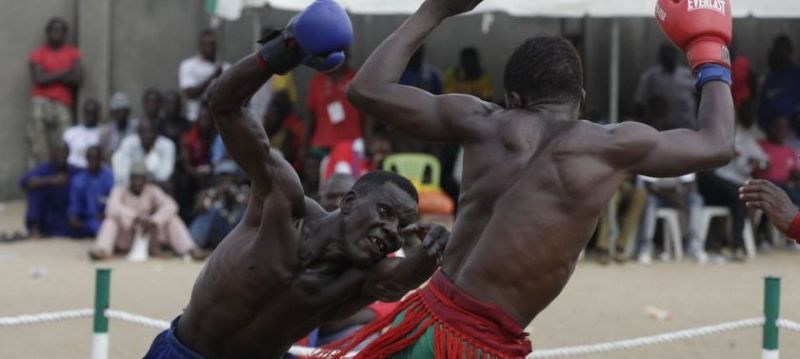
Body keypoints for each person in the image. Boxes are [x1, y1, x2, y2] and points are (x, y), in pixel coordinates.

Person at [318, 0, 734, 357]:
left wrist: (437, 8)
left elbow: (367, 90)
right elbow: (717, 142)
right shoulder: (610, 147)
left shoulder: (481, 122)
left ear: (514, 99)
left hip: (421, 318)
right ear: (581, 102)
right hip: (475, 345)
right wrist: (708, 50)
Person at [143, 2, 448, 358]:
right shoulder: (282, 202)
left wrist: (434, 247)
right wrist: (284, 49)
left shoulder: (360, 277)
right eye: (385, 211)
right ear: (349, 202)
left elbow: (401, 280)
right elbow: (225, 105)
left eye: (401, 226)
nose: (391, 230)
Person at [698, 100, 769, 261]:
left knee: (740, 195)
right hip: (712, 182)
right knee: (713, 179)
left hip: (732, 185)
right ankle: (723, 244)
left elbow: (765, 161)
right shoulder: (710, 134)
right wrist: (725, 155)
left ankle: (735, 246)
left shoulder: (743, 138)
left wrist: (757, 162)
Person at [89, 161, 204, 260]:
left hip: (148, 236)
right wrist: (135, 218)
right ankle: (102, 250)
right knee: (111, 220)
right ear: (130, 178)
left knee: (172, 219)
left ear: (146, 179)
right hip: (126, 236)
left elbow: (171, 205)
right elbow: (111, 207)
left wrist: (154, 221)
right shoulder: (119, 190)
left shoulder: (152, 190)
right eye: (135, 178)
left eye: (141, 178)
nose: (138, 181)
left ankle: (189, 250)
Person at [28, 17, 83, 169]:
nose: (56, 33)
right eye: (53, 30)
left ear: (65, 34)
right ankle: (39, 178)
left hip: (63, 103)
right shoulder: (38, 53)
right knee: (38, 145)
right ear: (47, 33)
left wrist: (50, 75)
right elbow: (39, 79)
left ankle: (62, 181)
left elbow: (77, 79)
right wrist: (65, 72)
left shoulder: (72, 53)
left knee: (65, 142)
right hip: (40, 102)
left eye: (59, 30)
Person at [302, 52, 366, 161]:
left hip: (352, 141)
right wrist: (303, 144)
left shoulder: (355, 78)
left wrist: (368, 138)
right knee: (323, 175)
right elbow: (310, 115)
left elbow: (366, 111)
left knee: (352, 176)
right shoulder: (317, 81)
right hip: (322, 143)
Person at [19, 142, 79, 239]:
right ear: (51, 154)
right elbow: (25, 182)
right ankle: (35, 230)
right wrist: (52, 180)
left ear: (69, 154)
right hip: (47, 216)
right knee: (36, 190)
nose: (61, 155)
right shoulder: (43, 169)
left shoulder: (74, 170)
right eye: (58, 152)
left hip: (66, 216)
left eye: (64, 152)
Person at [634, 43, 697, 131]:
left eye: (671, 53)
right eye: (665, 54)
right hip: (661, 129)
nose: (668, 56)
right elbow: (640, 103)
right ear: (660, 56)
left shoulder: (687, 74)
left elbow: (699, 97)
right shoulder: (651, 77)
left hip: (687, 126)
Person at [188, 161, 247, 250]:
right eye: (222, 176)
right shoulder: (209, 193)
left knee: (244, 212)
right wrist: (214, 196)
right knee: (211, 211)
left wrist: (235, 196)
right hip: (217, 233)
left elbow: (251, 207)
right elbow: (196, 210)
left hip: (235, 234)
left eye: (229, 176)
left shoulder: (243, 191)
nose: (226, 180)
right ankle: (193, 246)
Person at [179, 30, 230, 122]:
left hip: (220, 120)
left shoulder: (226, 67)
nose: (209, 48)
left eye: (212, 44)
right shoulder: (188, 65)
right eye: (206, 45)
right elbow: (190, 93)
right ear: (200, 46)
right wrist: (212, 77)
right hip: (195, 118)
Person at [112, 119, 176, 187]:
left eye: (151, 132)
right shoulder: (128, 143)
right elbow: (122, 175)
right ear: (138, 133)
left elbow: (164, 175)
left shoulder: (167, 145)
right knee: (117, 157)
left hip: (157, 187)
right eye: (144, 132)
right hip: (132, 187)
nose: (147, 136)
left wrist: (140, 180)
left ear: (157, 134)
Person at [67, 146, 114, 238]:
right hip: (87, 221)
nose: (93, 160)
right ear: (86, 158)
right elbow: (74, 208)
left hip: (108, 218)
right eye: (90, 157)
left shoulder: (110, 177)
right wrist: (74, 219)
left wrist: (107, 214)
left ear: (101, 158)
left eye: (96, 157)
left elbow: (115, 200)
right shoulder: (78, 180)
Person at [754, 115, 800, 203]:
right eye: (777, 126)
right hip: (764, 185)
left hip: (785, 187)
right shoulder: (759, 145)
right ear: (769, 127)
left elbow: (795, 172)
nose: (780, 130)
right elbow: (753, 167)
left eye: (784, 127)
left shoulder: (791, 151)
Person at [758, 35, 800, 130]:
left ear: (790, 51)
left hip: (794, 133)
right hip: (772, 134)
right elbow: (762, 109)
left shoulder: (797, 75)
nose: (781, 53)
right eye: (778, 49)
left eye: (784, 49)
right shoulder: (770, 79)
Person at [63, 99, 102, 168]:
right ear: (84, 113)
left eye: (93, 112)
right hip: (73, 169)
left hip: (95, 171)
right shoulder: (71, 132)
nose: (91, 115)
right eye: (88, 112)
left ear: (98, 113)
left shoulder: (104, 133)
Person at [99, 92, 137, 161]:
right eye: (117, 112)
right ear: (113, 113)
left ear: (127, 112)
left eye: (123, 111)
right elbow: (103, 154)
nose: (120, 115)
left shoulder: (136, 129)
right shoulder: (105, 133)